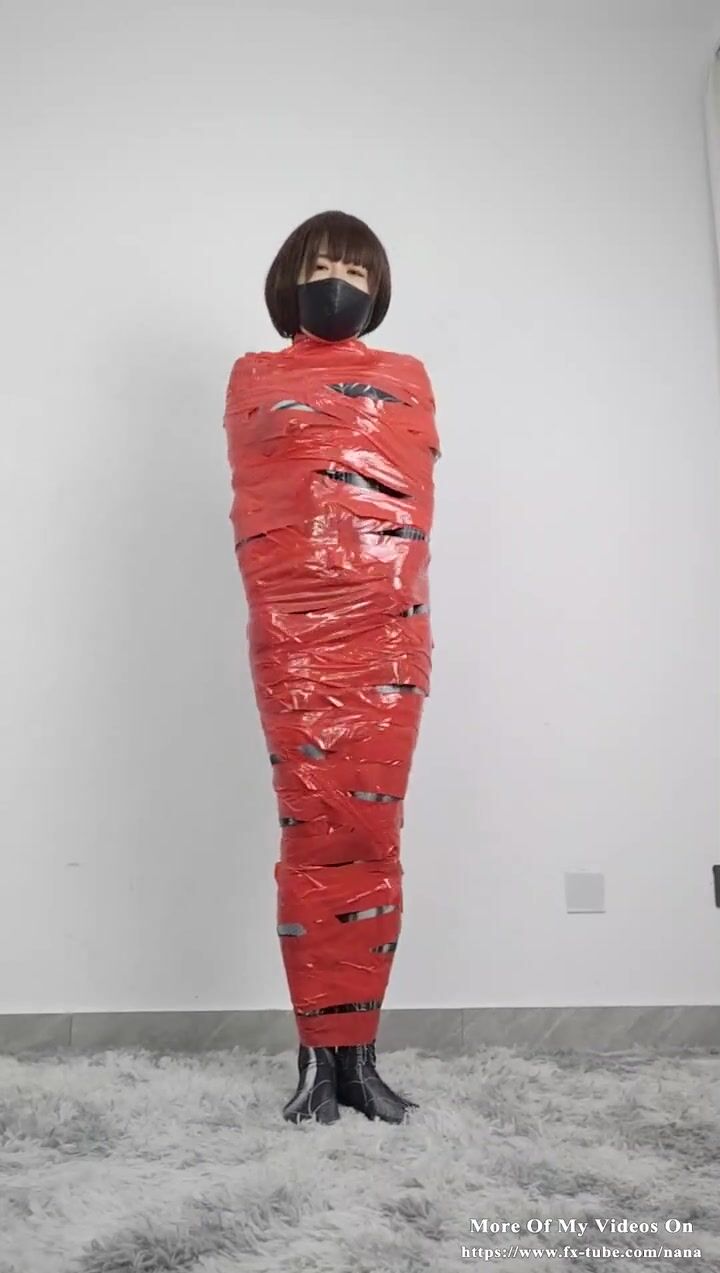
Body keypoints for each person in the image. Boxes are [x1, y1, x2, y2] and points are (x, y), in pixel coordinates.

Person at [223, 210, 440, 1124]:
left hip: (387, 636)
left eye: (356, 271)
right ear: (290, 281)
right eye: (322, 267)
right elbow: (271, 497)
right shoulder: (255, 379)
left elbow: (406, 507)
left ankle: (362, 1060)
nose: (338, 283)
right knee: (314, 837)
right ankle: (319, 1059)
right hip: (296, 642)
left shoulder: (406, 379)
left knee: (375, 840)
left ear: (377, 289)